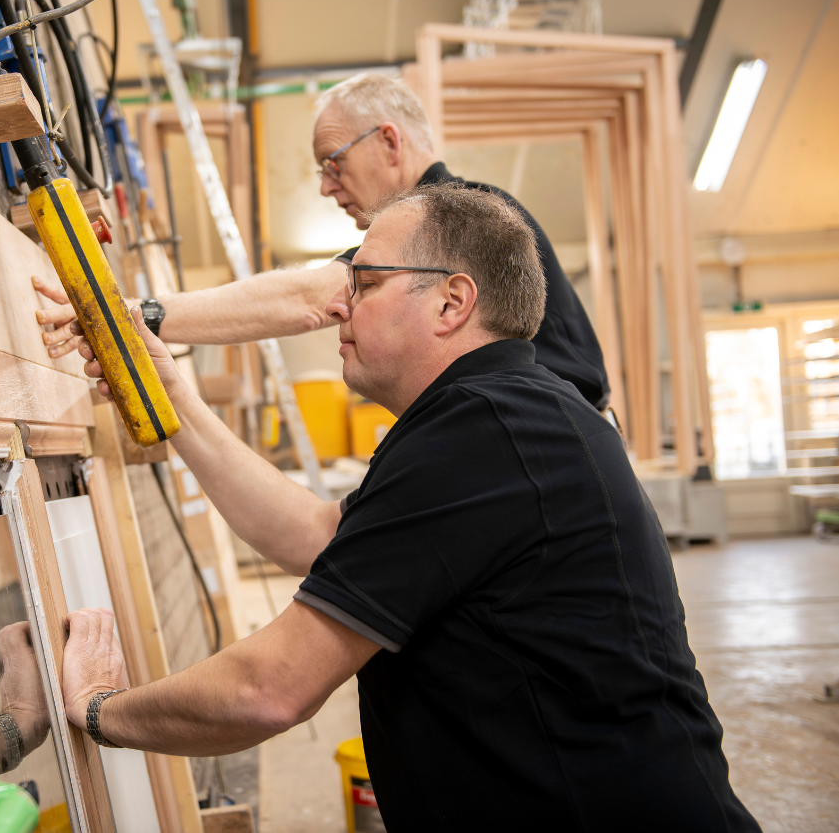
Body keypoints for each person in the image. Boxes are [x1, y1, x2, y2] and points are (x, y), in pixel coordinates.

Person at [57, 185, 757, 831]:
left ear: (451, 302)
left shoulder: (486, 432)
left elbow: (269, 688)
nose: (339, 304)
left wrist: (97, 707)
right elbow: (317, 535)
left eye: (362, 281)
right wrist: (169, 389)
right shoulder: (495, 417)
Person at [34, 72, 610, 409]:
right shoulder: (453, 217)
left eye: (333, 161)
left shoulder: (456, 221)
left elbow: (309, 298)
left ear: (389, 141)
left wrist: (133, 315)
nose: (326, 187)